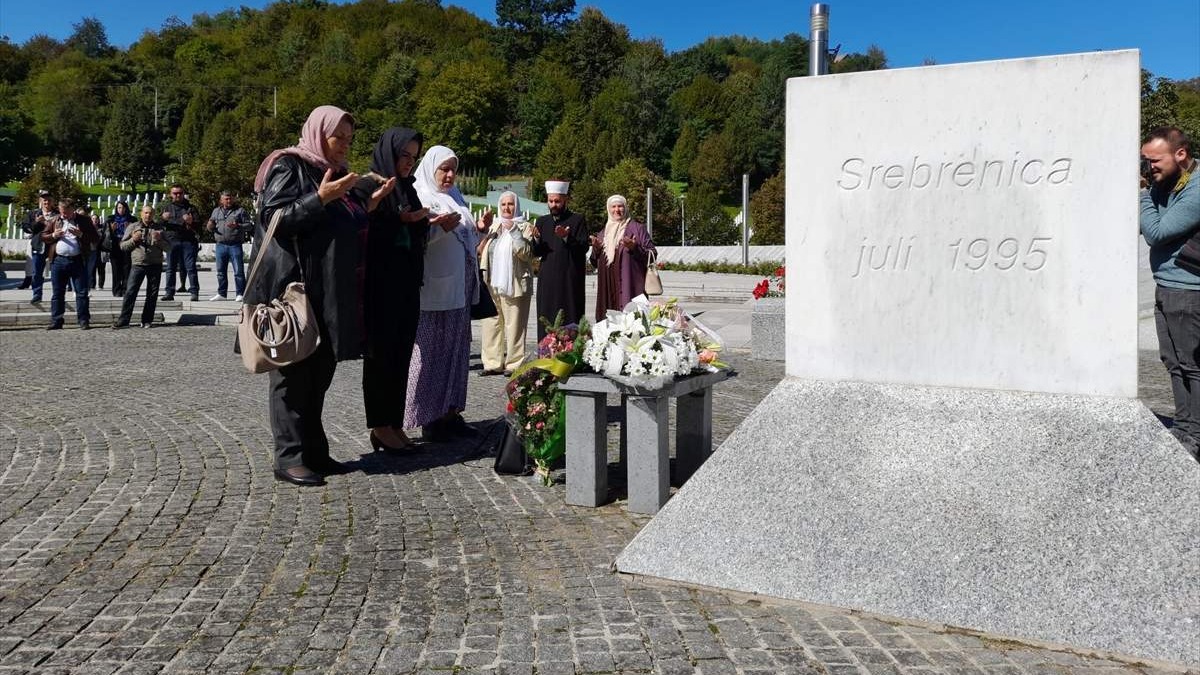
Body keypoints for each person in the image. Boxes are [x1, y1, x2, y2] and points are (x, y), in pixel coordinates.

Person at [247, 105, 395, 487]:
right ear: (319, 133)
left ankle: (314, 450)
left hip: (329, 291)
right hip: (294, 289)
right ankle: (289, 456)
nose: (345, 145)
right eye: (338, 137)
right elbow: (274, 218)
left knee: (319, 375)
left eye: (349, 138)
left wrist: (369, 204)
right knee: (292, 376)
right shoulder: (289, 165)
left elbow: (339, 227)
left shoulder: (339, 175)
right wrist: (321, 198)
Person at [406, 145, 490, 441]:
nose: (450, 174)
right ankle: (429, 418)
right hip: (436, 291)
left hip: (461, 290)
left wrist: (480, 230)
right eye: (444, 169)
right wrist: (439, 228)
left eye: (453, 168)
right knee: (432, 355)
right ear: (431, 169)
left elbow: (465, 238)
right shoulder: (421, 196)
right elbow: (416, 240)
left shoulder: (455, 197)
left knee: (456, 353)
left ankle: (451, 413)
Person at [361, 128, 430, 452]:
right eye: (405, 156)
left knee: (401, 354)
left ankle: (394, 422)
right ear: (390, 152)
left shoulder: (408, 188)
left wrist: (419, 221)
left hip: (406, 283)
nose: (409, 163)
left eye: (414, 158)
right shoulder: (371, 185)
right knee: (381, 356)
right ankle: (379, 424)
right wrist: (399, 220)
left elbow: (414, 232)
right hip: (380, 284)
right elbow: (362, 229)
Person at [1140, 126, 1200, 460]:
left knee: (1192, 365)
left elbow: (1156, 231)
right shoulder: (1168, 184)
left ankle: (1194, 434)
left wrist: (1142, 194)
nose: (1149, 167)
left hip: (1188, 290)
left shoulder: (1196, 189)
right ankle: (1184, 427)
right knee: (1173, 362)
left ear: (1181, 154)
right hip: (1167, 286)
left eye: (1154, 160)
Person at [478, 190, 536, 375]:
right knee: (491, 323)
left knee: (515, 325)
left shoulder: (525, 227)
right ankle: (492, 363)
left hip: (515, 283)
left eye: (510, 204)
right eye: (503, 204)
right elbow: (480, 250)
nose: (506, 208)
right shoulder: (494, 226)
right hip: (492, 282)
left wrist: (514, 232)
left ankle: (514, 364)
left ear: (516, 206)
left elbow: (526, 254)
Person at [531, 180, 589, 338]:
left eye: (557, 201)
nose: (554, 205)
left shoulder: (577, 220)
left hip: (569, 279)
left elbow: (583, 247)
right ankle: (546, 353)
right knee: (546, 316)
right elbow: (537, 252)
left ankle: (570, 355)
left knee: (570, 315)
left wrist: (566, 237)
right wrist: (535, 239)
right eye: (551, 201)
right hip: (547, 279)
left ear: (565, 200)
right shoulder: (542, 221)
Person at [590, 194, 657, 320]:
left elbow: (652, 255)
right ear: (608, 210)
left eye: (620, 206)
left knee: (632, 323)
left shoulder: (637, 229)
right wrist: (596, 249)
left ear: (625, 208)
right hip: (608, 288)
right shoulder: (603, 233)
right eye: (613, 207)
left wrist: (634, 247)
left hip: (630, 285)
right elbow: (594, 262)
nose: (617, 210)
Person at [41, 198, 99, 330]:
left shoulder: (84, 220)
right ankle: (57, 320)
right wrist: (54, 235)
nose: (64, 215)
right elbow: (43, 236)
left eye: (66, 213)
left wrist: (81, 234)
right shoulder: (55, 219)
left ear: (73, 209)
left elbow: (95, 238)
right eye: (62, 212)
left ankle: (83, 320)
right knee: (57, 293)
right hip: (58, 260)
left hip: (77, 260)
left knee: (82, 292)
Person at [113, 205, 170, 329]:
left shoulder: (160, 228)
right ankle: (124, 320)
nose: (148, 215)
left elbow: (169, 248)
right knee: (130, 292)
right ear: (141, 214)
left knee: (152, 294)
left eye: (150, 213)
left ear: (153, 214)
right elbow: (122, 246)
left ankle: (147, 320)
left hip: (155, 264)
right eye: (145, 213)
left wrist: (159, 240)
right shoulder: (133, 227)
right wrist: (133, 240)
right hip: (138, 264)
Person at [206, 190, 251, 301]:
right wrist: (210, 225)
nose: (229, 200)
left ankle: (240, 293)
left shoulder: (240, 211)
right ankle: (222, 294)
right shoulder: (216, 211)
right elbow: (209, 227)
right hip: (220, 245)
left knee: (238, 271)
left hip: (235, 245)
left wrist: (238, 225)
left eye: (230, 198)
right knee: (220, 271)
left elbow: (249, 225)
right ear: (221, 200)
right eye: (226, 199)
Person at [161, 184, 200, 301]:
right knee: (170, 268)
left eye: (180, 193)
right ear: (170, 194)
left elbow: (199, 225)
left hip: (188, 241)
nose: (177, 195)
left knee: (191, 267)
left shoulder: (191, 208)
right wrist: (163, 219)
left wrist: (191, 221)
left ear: (183, 194)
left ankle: (194, 292)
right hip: (172, 241)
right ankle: (169, 292)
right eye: (175, 193)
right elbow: (158, 224)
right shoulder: (167, 207)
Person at [19, 190, 55, 302]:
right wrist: (37, 223)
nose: (47, 202)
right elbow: (25, 226)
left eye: (49, 200)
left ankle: (57, 294)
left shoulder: (58, 214)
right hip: (38, 246)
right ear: (40, 201)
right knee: (36, 272)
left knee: (56, 272)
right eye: (44, 200)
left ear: (53, 201)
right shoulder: (33, 214)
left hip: (53, 246)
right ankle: (37, 294)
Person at [105, 201, 134, 297]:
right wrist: (112, 230)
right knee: (116, 269)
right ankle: (117, 290)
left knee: (127, 269)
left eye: (123, 207)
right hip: (115, 247)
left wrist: (128, 230)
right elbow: (106, 234)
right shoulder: (111, 219)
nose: (121, 210)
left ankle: (126, 289)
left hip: (127, 246)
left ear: (126, 208)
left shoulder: (132, 219)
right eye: (119, 208)